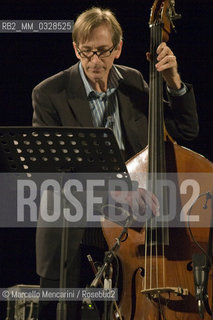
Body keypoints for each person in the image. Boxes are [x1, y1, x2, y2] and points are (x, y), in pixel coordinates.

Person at [32, 6, 199, 319]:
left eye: (104, 51)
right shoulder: (49, 94)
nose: (95, 61)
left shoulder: (134, 82)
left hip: (128, 235)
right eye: (86, 52)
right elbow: (49, 178)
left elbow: (185, 131)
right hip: (72, 235)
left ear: (118, 49)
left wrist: (174, 83)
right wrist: (112, 195)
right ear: (75, 48)